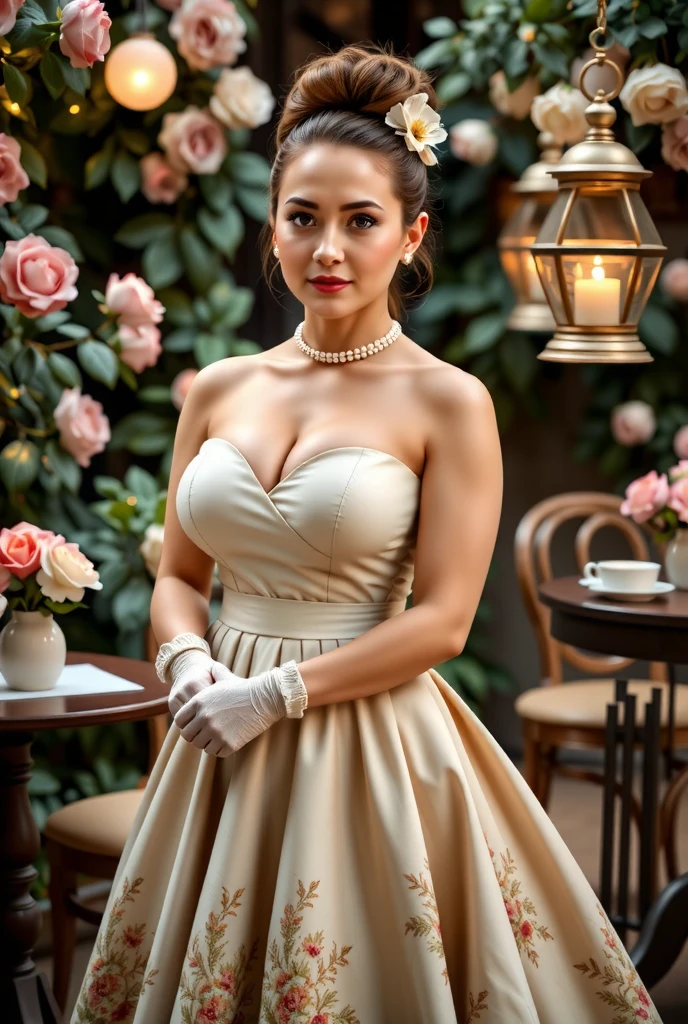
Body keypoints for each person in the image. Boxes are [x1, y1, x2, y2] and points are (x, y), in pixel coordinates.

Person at [69, 43, 662, 1024]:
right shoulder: (218, 388)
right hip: (214, 730)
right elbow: (180, 574)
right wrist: (184, 660)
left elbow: (442, 622)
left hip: (366, 737)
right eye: (302, 218)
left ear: (411, 233)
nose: (327, 250)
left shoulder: (448, 401)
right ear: (272, 226)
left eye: (360, 221)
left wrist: (275, 692)